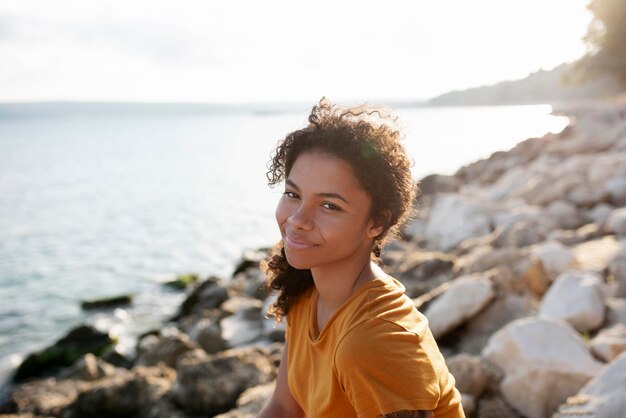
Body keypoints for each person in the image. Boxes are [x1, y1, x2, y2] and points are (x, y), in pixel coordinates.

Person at [257, 98, 465, 418]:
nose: (298, 219)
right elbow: (286, 408)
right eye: (293, 194)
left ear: (376, 222)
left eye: (330, 206)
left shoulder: (374, 340)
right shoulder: (306, 294)